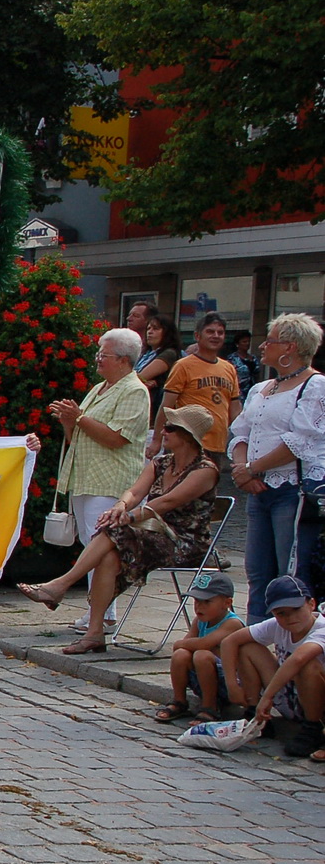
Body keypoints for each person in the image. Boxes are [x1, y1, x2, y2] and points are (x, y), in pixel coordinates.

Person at [18, 405, 221, 653]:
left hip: (185, 542)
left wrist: (129, 516)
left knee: (116, 532)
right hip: (153, 534)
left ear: (187, 435)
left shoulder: (205, 470)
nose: (163, 431)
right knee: (109, 556)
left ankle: (62, 585)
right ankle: (94, 632)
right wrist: (121, 506)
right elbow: (135, 491)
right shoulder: (162, 463)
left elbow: (168, 502)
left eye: (170, 428)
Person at [48, 328, 150, 633]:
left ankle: (104, 613)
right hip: (85, 476)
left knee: (103, 546)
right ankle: (99, 611)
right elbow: (79, 436)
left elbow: (117, 438)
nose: (98, 359)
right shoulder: (99, 388)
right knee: (89, 544)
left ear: (122, 359)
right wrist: (70, 421)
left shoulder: (134, 391)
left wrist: (79, 418)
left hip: (112, 482)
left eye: (103, 355)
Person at [229, 313, 325, 621]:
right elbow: (241, 431)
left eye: (270, 341)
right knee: (258, 571)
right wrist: (243, 469)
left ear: (290, 348)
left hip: (292, 490)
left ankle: (294, 646)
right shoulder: (262, 388)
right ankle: (255, 646)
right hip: (260, 490)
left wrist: (253, 468)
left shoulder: (315, 385)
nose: (262, 347)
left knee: (291, 573)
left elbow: (299, 441)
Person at [218, 575, 325, 758]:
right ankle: (254, 714)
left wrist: (267, 697)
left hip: (316, 700)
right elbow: (229, 642)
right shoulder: (276, 626)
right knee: (247, 647)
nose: (290, 618)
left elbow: (298, 659)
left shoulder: (321, 629)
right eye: (281, 613)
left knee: (308, 665)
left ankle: (312, 728)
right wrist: (232, 686)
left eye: (296, 609)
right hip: (288, 695)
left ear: (311, 604)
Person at [152, 312, 241, 467]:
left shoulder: (229, 368)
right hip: (187, 444)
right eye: (210, 331)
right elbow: (167, 405)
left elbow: (235, 410)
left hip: (216, 446)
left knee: (208, 490)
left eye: (220, 333)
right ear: (197, 336)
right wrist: (156, 441)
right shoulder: (183, 366)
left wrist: (241, 439)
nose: (216, 336)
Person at [154, 571, 245, 723]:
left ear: (227, 603)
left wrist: (180, 644)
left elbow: (204, 643)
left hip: (228, 683)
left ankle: (210, 707)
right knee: (181, 655)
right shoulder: (200, 621)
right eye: (197, 601)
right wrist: (182, 646)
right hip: (202, 677)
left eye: (207, 602)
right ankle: (179, 701)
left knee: (201, 654)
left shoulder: (232, 623)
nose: (199, 607)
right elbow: (184, 646)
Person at [133, 309, 182, 422]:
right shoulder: (145, 353)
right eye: (148, 328)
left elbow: (139, 377)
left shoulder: (169, 353)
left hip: (154, 410)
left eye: (155, 329)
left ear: (167, 332)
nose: (150, 332)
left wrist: (141, 380)